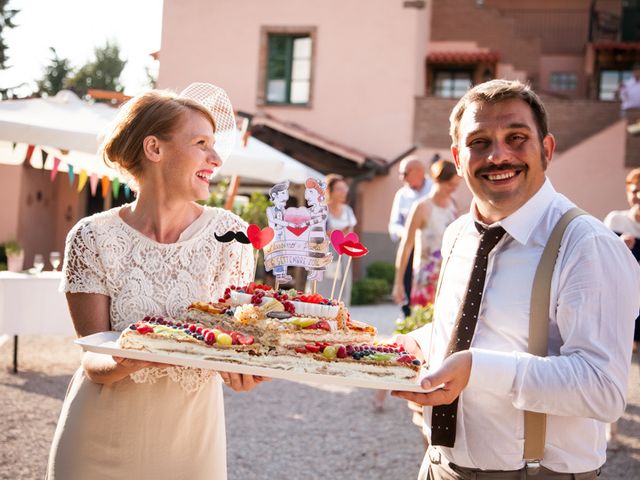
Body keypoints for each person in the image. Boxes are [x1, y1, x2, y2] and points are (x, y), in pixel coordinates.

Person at [392, 79, 640, 479]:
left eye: (516, 137)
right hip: (439, 468)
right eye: (479, 142)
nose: (498, 155)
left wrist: (477, 368)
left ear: (546, 149)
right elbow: (474, 327)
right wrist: (412, 344)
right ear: (458, 157)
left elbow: (603, 390)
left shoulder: (587, 245)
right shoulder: (458, 234)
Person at [46, 87, 268, 480]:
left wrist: (245, 368)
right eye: (201, 144)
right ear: (154, 148)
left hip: (191, 445)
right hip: (99, 442)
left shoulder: (231, 236)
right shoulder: (92, 236)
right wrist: (138, 353)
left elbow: (236, 341)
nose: (215, 159)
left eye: (214, 146)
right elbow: (93, 361)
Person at [393, 159, 461, 308]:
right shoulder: (421, 207)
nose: (453, 189)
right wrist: (398, 283)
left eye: (456, 185)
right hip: (426, 278)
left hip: (448, 276)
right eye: (450, 185)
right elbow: (406, 245)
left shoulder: (453, 205)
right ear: (437, 180)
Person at [389, 156, 433, 318]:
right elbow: (394, 225)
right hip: (409, 247)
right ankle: (408, 319)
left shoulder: (434, 189)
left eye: (405, 173)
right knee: (407, 285)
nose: (402, 178)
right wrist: (406, 233)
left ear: (419, 172)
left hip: (430, 249)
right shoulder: (401, 195)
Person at [315, 174, 357, 304]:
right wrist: (336, 233)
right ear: (330, 191)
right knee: (324, 289)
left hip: (342, 254)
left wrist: (337, 234)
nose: (343, 192)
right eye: (339, 189)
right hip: (324, 254)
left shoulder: (348, 211)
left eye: (345, 189)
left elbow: (350, 234)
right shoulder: (322, 210)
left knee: (341, 288)